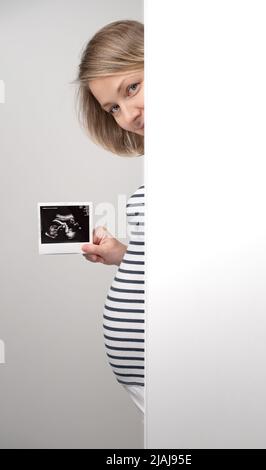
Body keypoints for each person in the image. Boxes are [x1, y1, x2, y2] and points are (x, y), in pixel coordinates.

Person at [72, 20, 145, 419]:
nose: (128, 114)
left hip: (187, 373)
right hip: (150, 379)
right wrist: (126, 256)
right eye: (113, 108)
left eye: (132, 87)